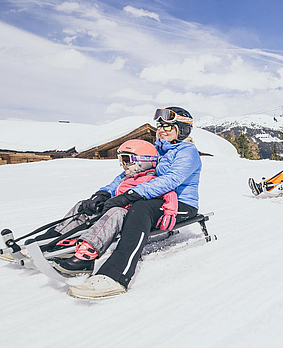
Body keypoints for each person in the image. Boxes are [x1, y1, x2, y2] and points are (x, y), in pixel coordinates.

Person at [67, 106, 202, 299]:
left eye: (169, 126)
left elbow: (171, 180)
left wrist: (132, 194)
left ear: (181, 129)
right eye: (160, 126)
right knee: (98, 206)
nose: (162, 130)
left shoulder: (187, 152)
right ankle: (60, 245)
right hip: (152, 198)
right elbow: (128, 175)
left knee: (140, 208)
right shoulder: (155, 149)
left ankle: (115, 276)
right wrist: (105, 193)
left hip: (180, 205)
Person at [49, 140, 178, 276]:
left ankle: (86, 256)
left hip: (128, 215)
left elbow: (170, 195)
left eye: (127, 160)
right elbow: (111, 190)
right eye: (121, 160)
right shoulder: (125, 178)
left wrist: (169, 214)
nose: (123, 165)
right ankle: (61, 238)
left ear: (144, 161)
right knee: (83, 206)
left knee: (115, 213)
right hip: (111, 210)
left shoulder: (151, 180)